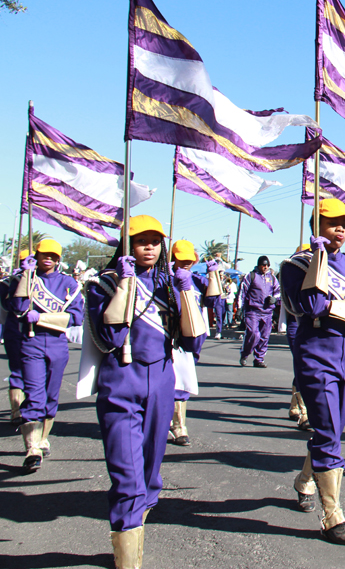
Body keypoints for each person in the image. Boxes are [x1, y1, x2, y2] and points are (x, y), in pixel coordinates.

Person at [86, 215, 202, 567]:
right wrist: (124, 284)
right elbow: (109, 339)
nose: (149, 246)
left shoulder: (170, 285)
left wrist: (186, 292)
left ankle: (133, 532)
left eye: (155, 240)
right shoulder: (103, 284)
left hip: (162, 384)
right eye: (140, 240)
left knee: (151, 479)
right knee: (128, 479)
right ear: (126, 245)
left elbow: (192, 342)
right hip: (121, 386)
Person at [280, 199, 345, 545]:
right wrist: (318, 265)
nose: (340, 228)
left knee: (335, 426)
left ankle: (305, 480)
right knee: (328, 427)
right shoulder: (296, 265)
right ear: (315, 225)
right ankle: (333, 516)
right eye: (332, 222)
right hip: (315, 352)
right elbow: (308, 307)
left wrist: (333, 308)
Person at [9, 239, 84, 471]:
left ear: (59, 258)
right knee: (34, 393)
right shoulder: (27, 279)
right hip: (31, 343)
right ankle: (32, 448)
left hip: (57, 344)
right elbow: (19, 307)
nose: (48, 258)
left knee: (51, 396)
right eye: (43, 254)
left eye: (53, 255)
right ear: (37, 256)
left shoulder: (68, 283)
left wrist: (43, 318)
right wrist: (25, 277)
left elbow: (76, 317)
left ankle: (42, 438)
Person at [168, 240, 216, 447]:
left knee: (182, 380)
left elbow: (214, 301)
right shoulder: (165, 279)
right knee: (173, 381)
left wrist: (213, 275)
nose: (186, 263)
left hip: (194, 337)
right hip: (172, 337)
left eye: (190, 260)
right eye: (182, 259)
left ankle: (175, 422)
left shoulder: (197, 280)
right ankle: (178, 426)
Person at [1, 250, 32, 427]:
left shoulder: (39, 282)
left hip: (34, 330)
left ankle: (29, 408)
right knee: (18, 370)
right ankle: (16, 411)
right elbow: (8, 305)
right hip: (15, 329)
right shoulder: (9, 282)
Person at [238, 255, 280, 368]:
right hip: (253, 311)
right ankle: (245, 354)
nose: (265, 267)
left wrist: (274, 299)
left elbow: (278, 291)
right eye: (263, 265)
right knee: (253, 334)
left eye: (267, 265)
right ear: (259, 265)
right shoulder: (251, 276)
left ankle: (259, 359)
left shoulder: (272, 278)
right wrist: (239, 308)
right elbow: (242, 292)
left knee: (264, 336)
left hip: (267, 312)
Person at [285, 245, 310, 431]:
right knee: (302, 366)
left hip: (314, 324)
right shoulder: (291, 270)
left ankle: (295, 405)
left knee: (305, 367)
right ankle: (304, 413)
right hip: (297, 322)